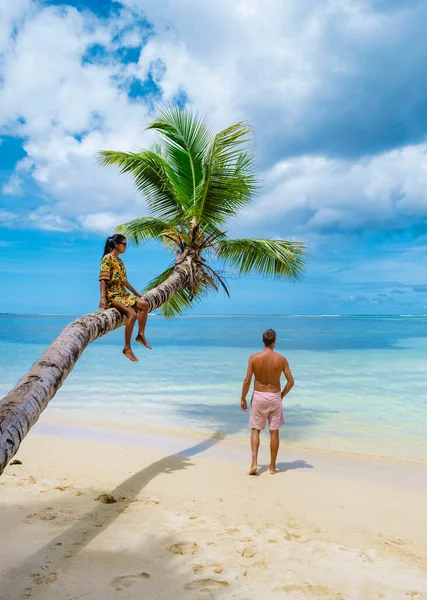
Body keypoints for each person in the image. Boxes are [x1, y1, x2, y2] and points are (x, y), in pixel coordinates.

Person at [240, 329, 294, 475]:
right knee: (274, 432)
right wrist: (281, 395)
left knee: (255, 429)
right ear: (274, 342)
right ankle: (271, 467)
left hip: (259, 396)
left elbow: (247, 381)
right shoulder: (281, 359)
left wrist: (243, 398)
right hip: (275, 396)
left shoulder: (254, 358)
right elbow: (291, 382)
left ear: (263, 341)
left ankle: (254, 463)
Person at [98, 234, 151, 362]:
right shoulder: (107, 258)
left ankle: (141, 335)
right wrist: (103, 298)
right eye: (124, 244)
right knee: (132, 314)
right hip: (112, 295)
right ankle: (127, 348)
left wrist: (137, 294)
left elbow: (124, 281)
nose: (126, 247)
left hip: (123, 294)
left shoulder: (120, 261)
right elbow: (103, 280)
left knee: (144, 305)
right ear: (116, 244)